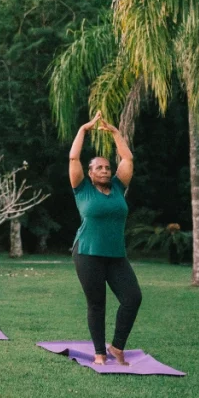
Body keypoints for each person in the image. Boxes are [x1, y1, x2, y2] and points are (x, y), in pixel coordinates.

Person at [68, 111, 142, 366]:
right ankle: (99, 352)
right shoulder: (82, 188)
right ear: (89, 173)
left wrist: (115, 132)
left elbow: (128, 158)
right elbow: (74, 156)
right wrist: (84, 129)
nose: (104, 170)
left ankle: (117, 347)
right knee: (97, 304)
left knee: (132, 299)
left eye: (107, 167)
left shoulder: (119, 187)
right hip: (87, 252)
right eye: (98, 167)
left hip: (116, 255)